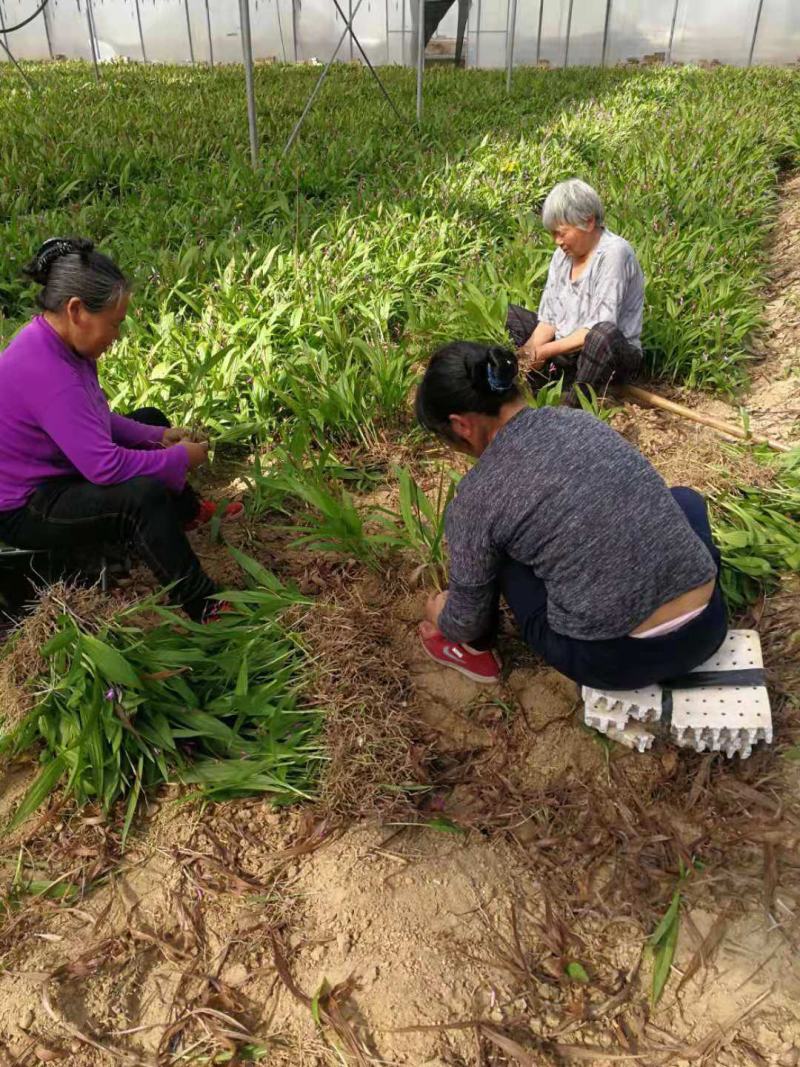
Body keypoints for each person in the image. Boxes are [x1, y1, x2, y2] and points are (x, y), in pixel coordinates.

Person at [415, 341, 727, 690]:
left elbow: (465, 621)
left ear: (460, 426)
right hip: (709, 626)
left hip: (617, 660)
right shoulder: (580, 422)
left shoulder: (476, 499)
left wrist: (442, 616)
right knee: (683, 499)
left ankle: (477, 654)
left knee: (498, 558)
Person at [0, 237, 242, 622]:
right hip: (27, 505)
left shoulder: (60, 343)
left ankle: (186, 514)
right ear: (77, 310)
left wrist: (158, 439)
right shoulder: (48, 372)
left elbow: (90, 421)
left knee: (151, 419)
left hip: (56, 468)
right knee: (140, 498)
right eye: (113, 324)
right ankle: (203, 602)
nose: (116, 336)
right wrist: (178, 458)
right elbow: (105, 467)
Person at [507, 178, 645, 406]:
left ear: (588, 222)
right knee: (513, 316)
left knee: (601, 335)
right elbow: (548, 321)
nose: (557, 242)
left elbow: (596, 327)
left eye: (562, 233)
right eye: (553, 234)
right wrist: (527, 353)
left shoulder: (614, 254)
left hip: (610, 354)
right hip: (568, 351)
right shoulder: (561, 257)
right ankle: (551, 382)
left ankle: (575, 403)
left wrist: (543, 352)